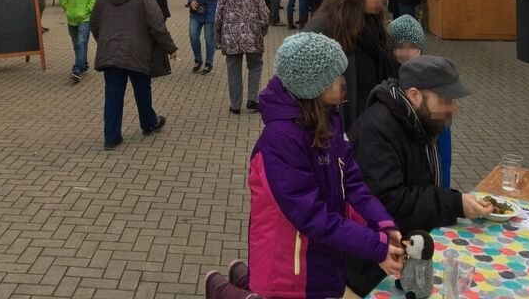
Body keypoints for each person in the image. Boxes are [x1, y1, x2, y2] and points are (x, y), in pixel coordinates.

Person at [205, 33, 404, 299]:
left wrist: (382, 223)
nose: (343, 82)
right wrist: (374, 247)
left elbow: (353, 184)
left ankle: (240, 276)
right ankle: (220, 288)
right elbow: (310, 215)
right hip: (289, 263)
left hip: (319, 253)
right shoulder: (281, 139)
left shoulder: (328, 120)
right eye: (336, 76)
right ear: (314, 86)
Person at [346, 56, 493, 296]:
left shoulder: (418, 120)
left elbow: (420, 184)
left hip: (407, 251)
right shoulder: (376, 130)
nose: (452, 108)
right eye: (445, 100)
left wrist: (455, 202)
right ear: (414, 95)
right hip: (374, 266)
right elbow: (390, 201)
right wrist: (454, 203)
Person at [90, 0, 177, 150]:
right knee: (142, 90)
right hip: (138, 52)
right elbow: (157, 25)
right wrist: (170, 48)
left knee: (113, 95)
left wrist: (104, 42)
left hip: (111, 52)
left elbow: (94, 23)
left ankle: (111, 137)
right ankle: (149, 123)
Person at [304, 0, 399, 130]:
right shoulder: (323, 29)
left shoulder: (372, 25)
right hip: (339, 133)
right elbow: (306, 91)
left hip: (370, 130)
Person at [387, 15, 453, 189]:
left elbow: (444, 159)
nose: (406, 52)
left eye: (412, 47)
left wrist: (443, 191)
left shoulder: (433, 78)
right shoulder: (389, 82)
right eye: (400, 47)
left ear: (420, 49)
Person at [214, 0, 269, 114]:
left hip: (230, 38)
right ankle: (252, 100)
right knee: (255, 66)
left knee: (233, 70)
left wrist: (218, 40)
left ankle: (235, 105)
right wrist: (261, 32)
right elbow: (265, 16)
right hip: (252, 36)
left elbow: (218, 18)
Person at [58, 0, 103, 83]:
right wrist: (66, 7)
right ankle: (84, 63)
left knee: (81, 42)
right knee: (76, 44)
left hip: (86, 18)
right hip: (71, 17)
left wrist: (88, 9)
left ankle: (77, 69)